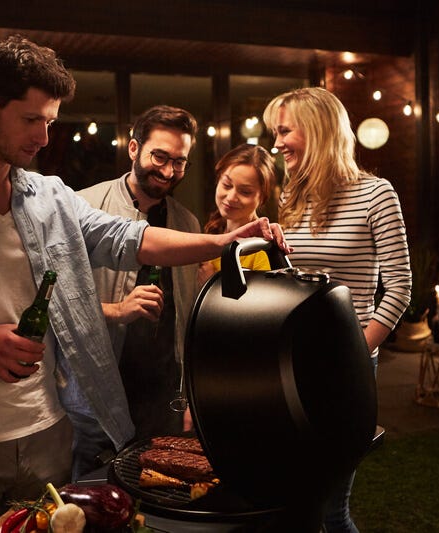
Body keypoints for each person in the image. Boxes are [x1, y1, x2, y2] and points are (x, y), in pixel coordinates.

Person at [0, 35, 285, 533]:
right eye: (31, 120)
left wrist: (227, 241)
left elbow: (132, 238)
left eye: (51, 122)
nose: (43, 136)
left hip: (45, 437)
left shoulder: (50, 195)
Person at [263, 86, 411, 533]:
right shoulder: (291, 198)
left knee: (332, 510)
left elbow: (400, 289)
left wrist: (353, 356)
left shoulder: (375, 194)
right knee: (294, 503)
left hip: (347, 366)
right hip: (290, 364)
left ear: (318, 130)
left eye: (285, 131)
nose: (276, 143)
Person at [78, 105, 201, 442]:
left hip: (163, 396)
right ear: (134, 148)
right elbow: (56, 305)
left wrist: (189, 393)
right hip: (97, 395)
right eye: (159, 157)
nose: (168, 171)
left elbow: (187, 320)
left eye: (179, 162)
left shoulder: (187, 225)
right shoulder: (84, 207)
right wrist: (117, 310)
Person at [197, 143, 277, 286]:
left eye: (245, 192)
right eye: (227, 185)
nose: (231, 197)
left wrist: (212, 283)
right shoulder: (212, 231)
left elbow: (259, 306)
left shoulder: (261, 249)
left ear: (262, 198)